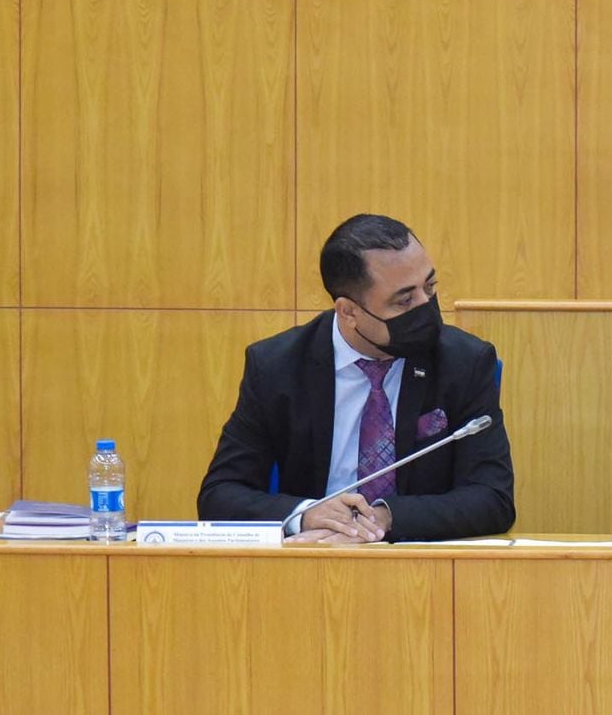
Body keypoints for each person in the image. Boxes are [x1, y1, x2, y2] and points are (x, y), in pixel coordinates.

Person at [197, 214, 514, 543]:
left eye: (430, 287)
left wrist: (382, 518)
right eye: (404, 300)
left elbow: (493, 499)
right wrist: (306, 514)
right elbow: (220, 496)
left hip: (418, 561)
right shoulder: (277, 367)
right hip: (313, 558)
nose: (426, 307)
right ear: (348, 311)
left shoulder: (464, 362)